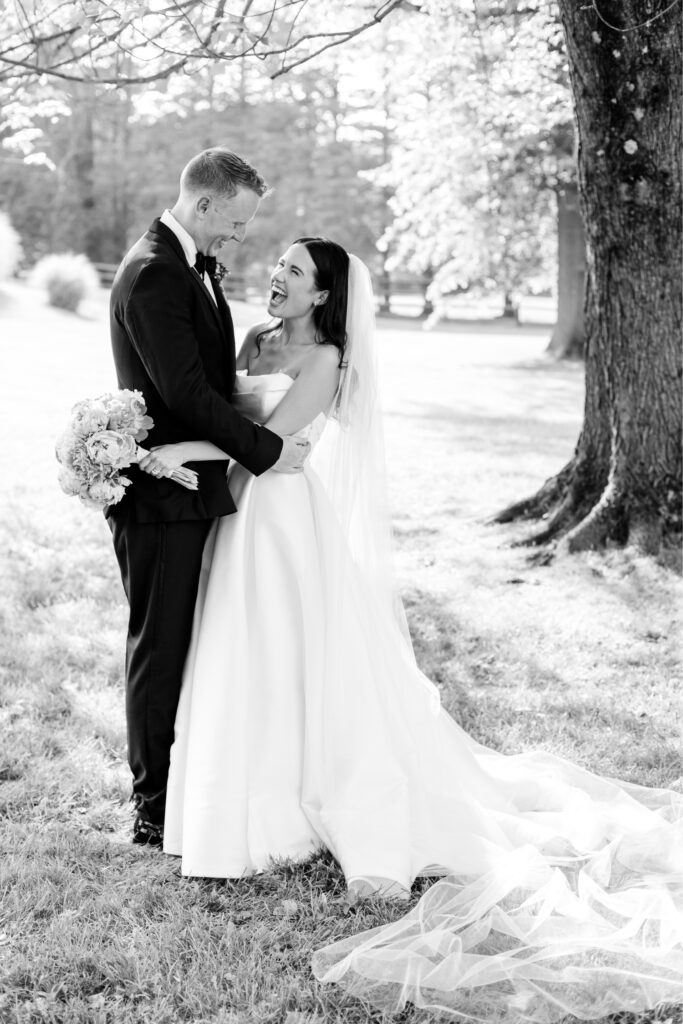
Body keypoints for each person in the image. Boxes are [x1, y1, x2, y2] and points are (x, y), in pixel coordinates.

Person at [140, 238, 682, 1021]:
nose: (279, 278)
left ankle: (299, 799)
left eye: (297, 271)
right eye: (280, 266)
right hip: (235, 515)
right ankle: (240, 792)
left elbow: (257, 447)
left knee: (293, 651)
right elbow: (220, 407)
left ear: (325, 295)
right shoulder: (255, 341)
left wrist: (163, 454)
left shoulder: (325, 360)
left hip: (279, 518)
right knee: (239, 652)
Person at [106, 147, 310, 849]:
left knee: (189, 643)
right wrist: (267, 451)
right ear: (205, 204)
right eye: (238, 221)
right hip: (163, 493)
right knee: (159, 646)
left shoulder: (186, 265)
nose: (241, 235)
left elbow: (205, 377)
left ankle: (183, 785)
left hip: (195, 486)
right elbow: (186, 394)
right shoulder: (154, 273)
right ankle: (152, 807)